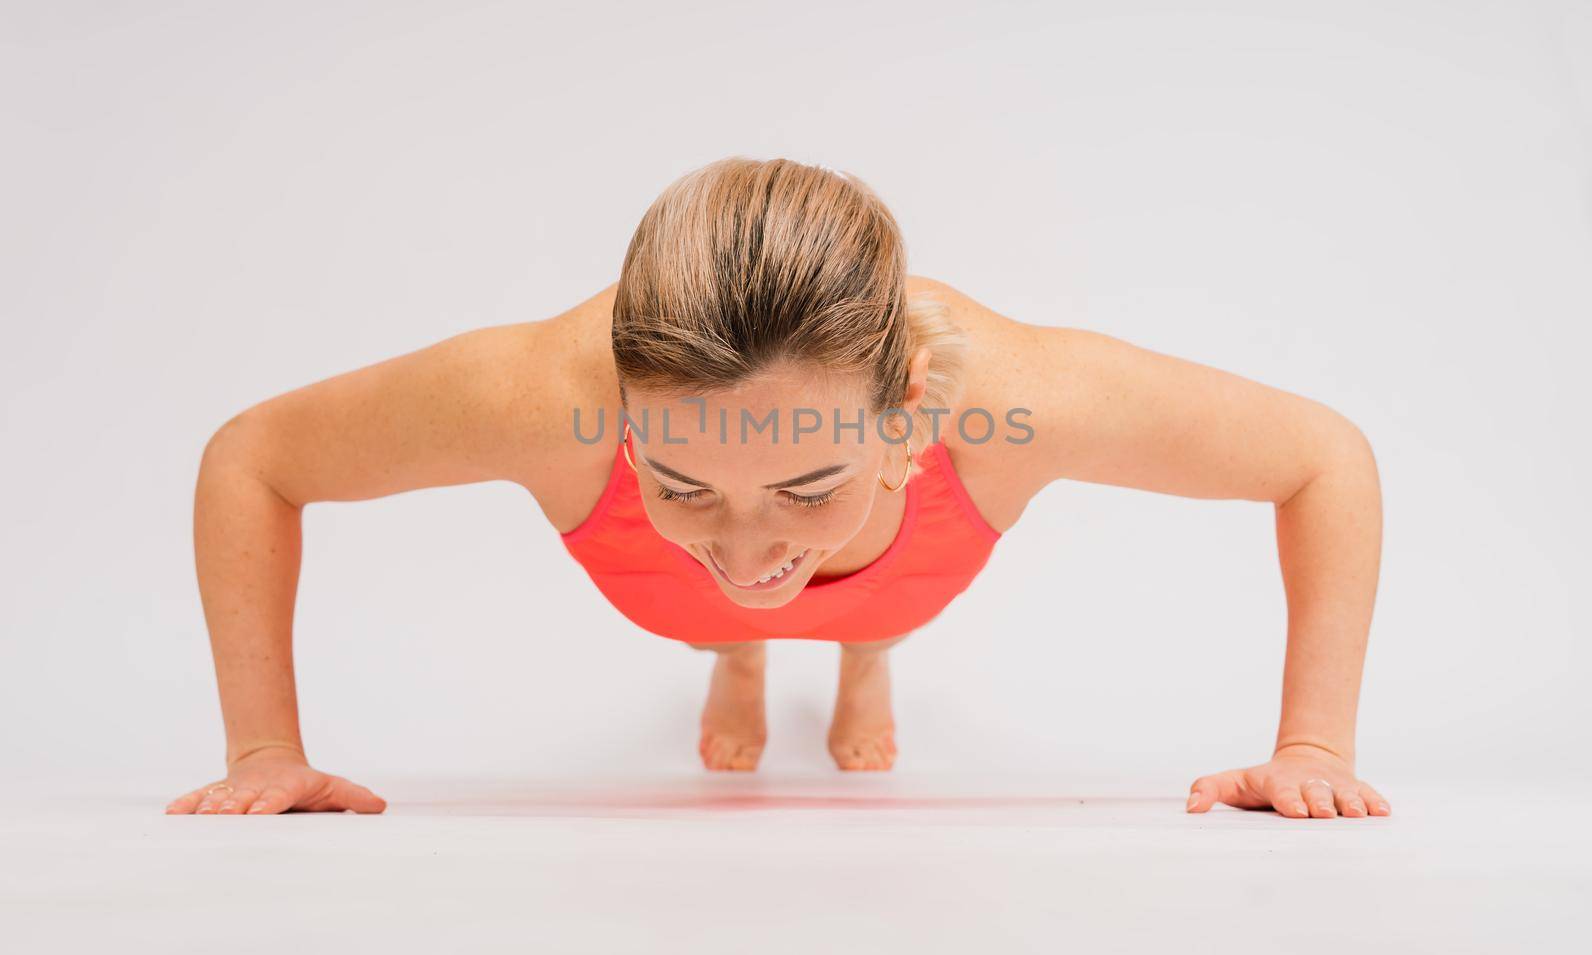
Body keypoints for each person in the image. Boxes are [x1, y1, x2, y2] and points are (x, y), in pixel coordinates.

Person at [166, 157, 1390, 821]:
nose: (749, 548)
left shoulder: (1006, 399)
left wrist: (1310, 743)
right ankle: (740, 656)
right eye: (684, 480)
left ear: (910, 417)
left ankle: (863, 651)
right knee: (720, 606)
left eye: (808, 484)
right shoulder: (546, 398)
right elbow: (254, 458)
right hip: (690, 584)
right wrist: (266, 748)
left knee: (859, 601)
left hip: (901, 563)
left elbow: (1320, 455)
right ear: (626, 416)